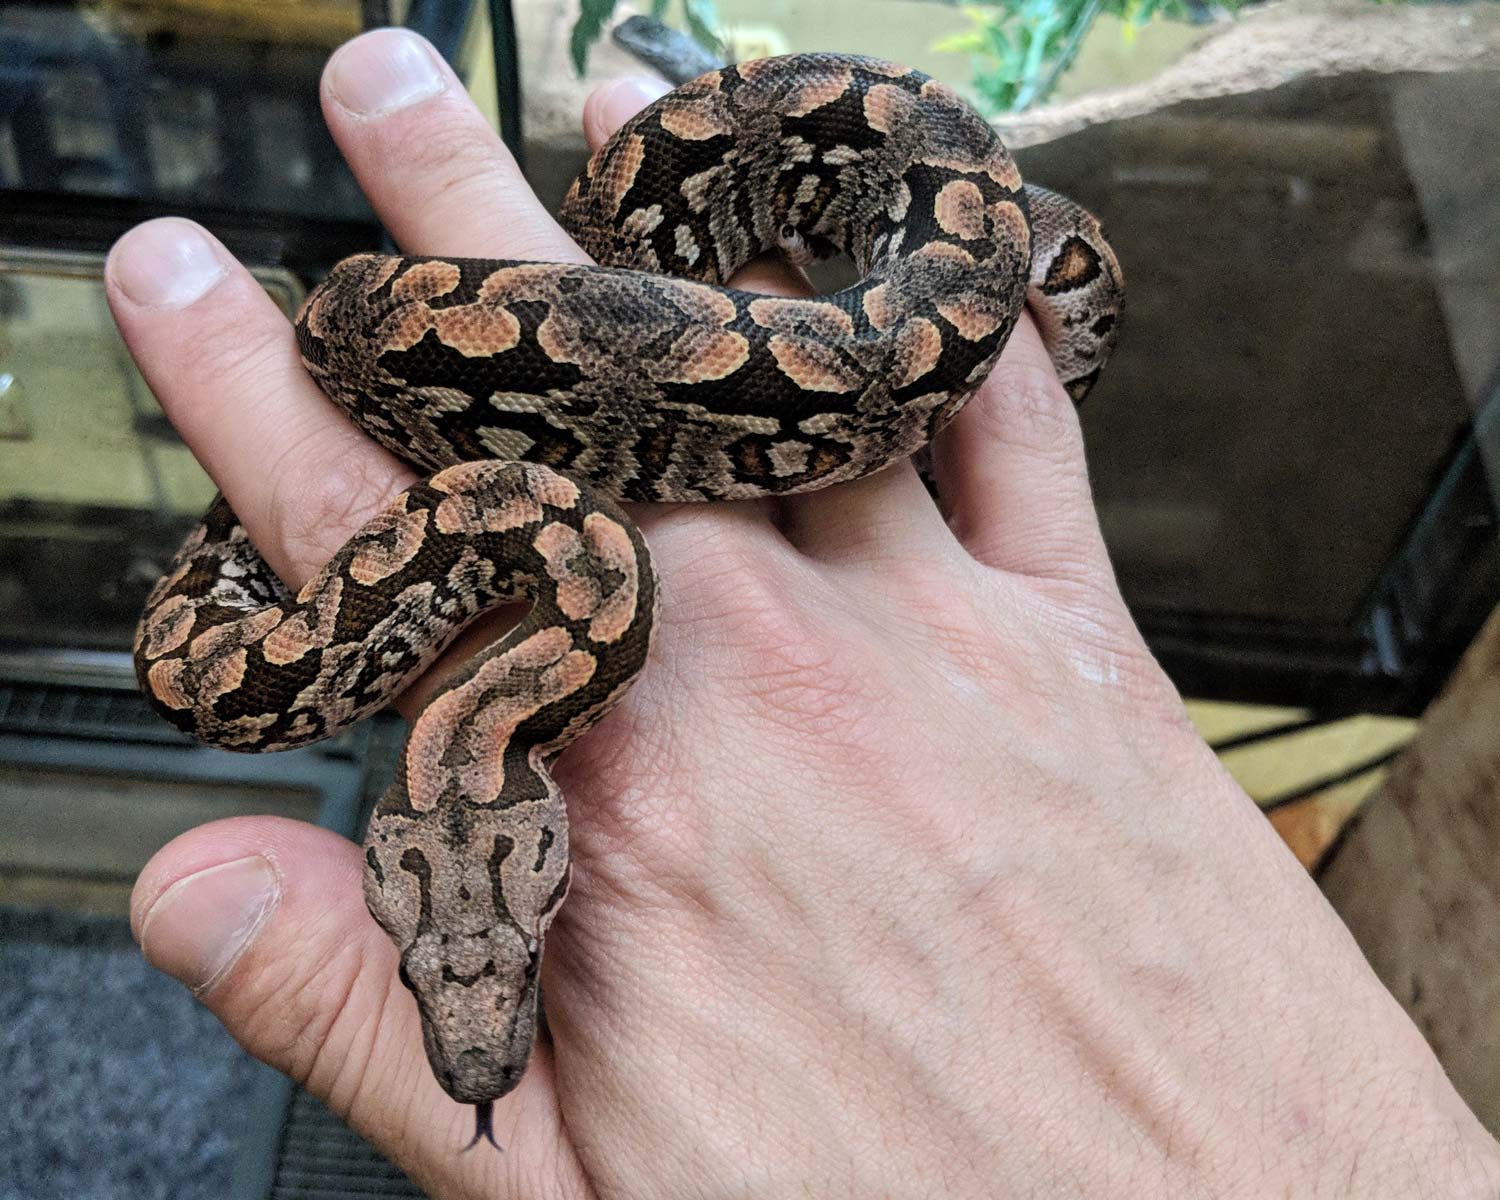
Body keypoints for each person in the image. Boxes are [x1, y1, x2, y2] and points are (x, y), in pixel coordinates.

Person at [106, 28, 1500, 1199]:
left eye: (456, 959)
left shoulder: (526, 598)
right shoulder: (550, 601)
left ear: (409, 857)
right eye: (495, 952)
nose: (477, 1024)